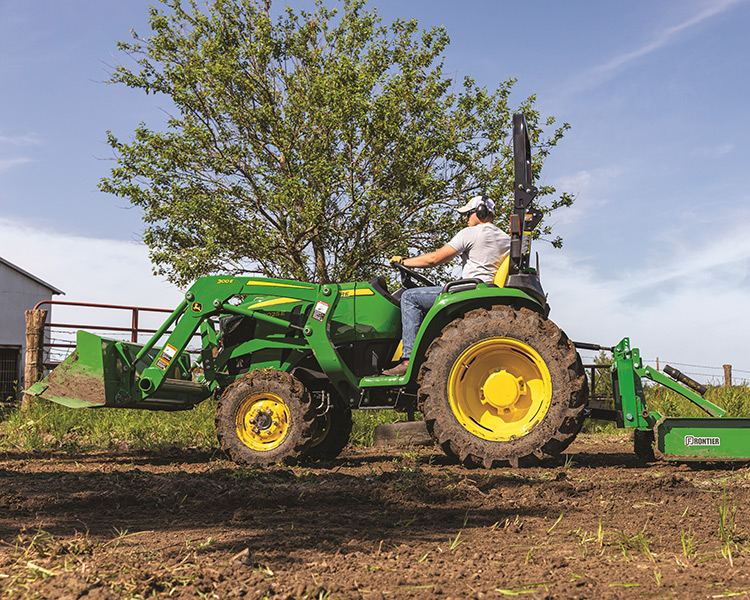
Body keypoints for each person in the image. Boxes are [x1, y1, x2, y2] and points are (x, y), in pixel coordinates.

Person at [381, 195, 511, 377]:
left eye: (468, 214)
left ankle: (408, 359)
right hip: (485, 288)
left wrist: (404, 261)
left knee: (409, 297)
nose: (466, 219)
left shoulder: (471, 233)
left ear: (479, 212)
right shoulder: (506, 238)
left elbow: (434, 260)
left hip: (470, 289)